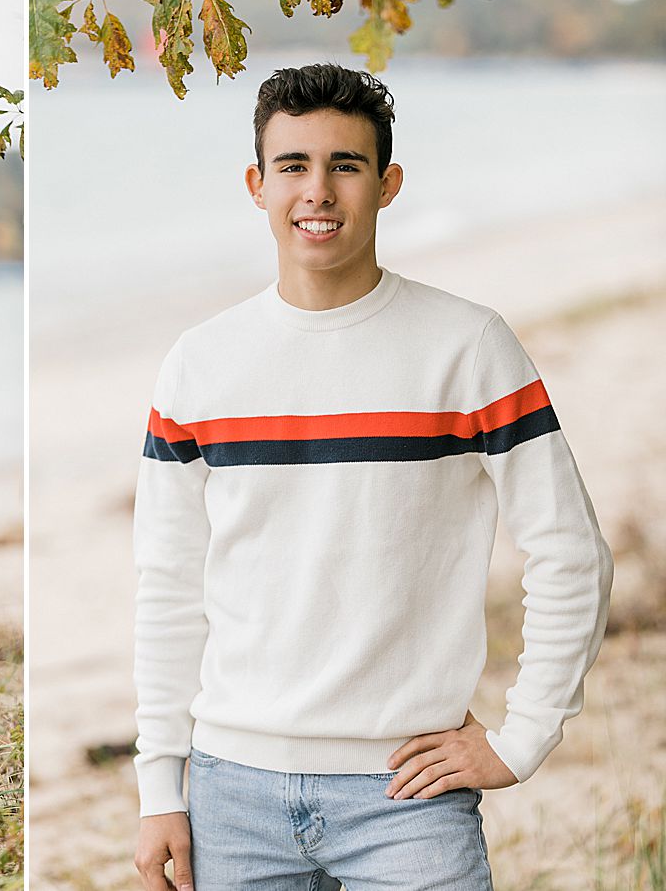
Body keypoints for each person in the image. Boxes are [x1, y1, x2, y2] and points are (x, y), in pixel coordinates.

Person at [131, 64, 613, 890]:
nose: (317, 191)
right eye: (293, 166)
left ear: (387, 185)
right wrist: (157, 788)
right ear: (257, 184)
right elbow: (168, 589)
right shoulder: (199, 365)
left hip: (408, 795)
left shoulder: (468, 347)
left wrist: (522, 737)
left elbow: (572, 552)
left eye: (345, 166)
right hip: (229, 795)